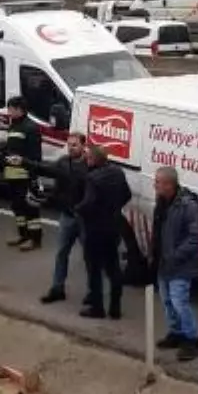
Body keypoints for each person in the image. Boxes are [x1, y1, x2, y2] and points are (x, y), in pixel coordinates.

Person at [151, 165, 198, 361]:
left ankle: (192, 339)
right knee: (167, 301)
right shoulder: (162, 202)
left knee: (179, 301)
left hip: (180, 265)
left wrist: (175, 255)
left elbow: (195, 236)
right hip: (163, 263)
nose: (154, 184)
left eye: (157, 181)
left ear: (168, 184)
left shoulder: (188, 206)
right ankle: (176, 332)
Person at [75, 146, 131, 319]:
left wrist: (77, 209)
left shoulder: (93, 178)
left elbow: (89, 203)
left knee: (94, 270)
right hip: (113, 226)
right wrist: (113, 208)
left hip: (95, 228)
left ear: (94, 159)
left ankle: (97, 308)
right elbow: (127, 195)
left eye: (89, 157)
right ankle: (115, 308)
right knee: (114, 268)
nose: (87, 159)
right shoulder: (118, 172)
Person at [39, 133, 90, 304]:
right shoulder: (63, 162)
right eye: (69, 145)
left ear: (84, 146)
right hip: (67, 216)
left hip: (84, 219)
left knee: (89, 257)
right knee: (61, 253)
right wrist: (50, 200)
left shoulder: (90, 165)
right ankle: (57, 288)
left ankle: (92, 292)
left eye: (74, 145)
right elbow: (52, 177)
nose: (71, 148)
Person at [0, 96, 43, 250]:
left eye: (10, 108)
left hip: (25, 176)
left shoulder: (30, 127)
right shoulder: (14, 126)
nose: (8, 112)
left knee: (30, 209)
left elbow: (35, 156)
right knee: (17, 208)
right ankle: (22, 235)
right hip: (12, 175)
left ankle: (34, 239)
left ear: (19, 109)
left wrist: (33, 176)